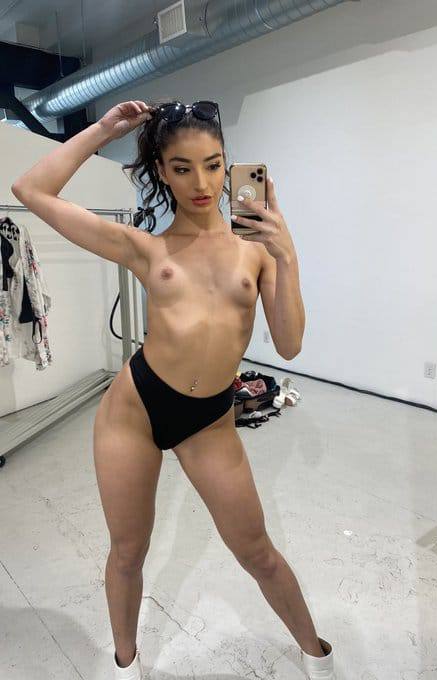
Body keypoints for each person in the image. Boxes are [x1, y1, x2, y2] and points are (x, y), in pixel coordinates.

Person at [10, 99, 335, 680]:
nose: (202, 184)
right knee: (128, 551)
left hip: (209, 419)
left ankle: (317, 653)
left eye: (213, 165)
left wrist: (287, 255)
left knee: (256, 550)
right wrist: (102, 130)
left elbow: (289, 346)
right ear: (161, 170)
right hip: (134, 411)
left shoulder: (257, 251)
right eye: (182, 168)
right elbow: (31, 190)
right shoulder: (147, 247)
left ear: (227, 163)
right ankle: (125, 662)